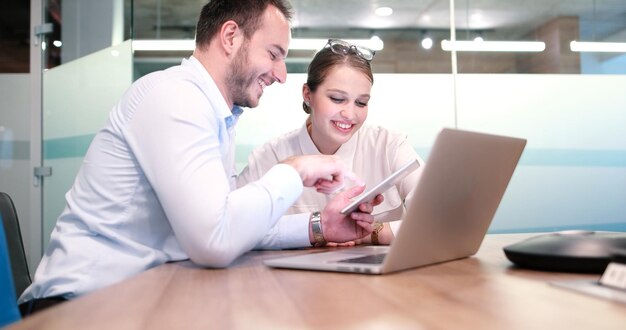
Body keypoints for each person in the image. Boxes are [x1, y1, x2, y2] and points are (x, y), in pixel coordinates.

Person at [18, 0, 382, 316]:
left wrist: (320, 226)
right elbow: (215, 241)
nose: (281, 74)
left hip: (139, 295)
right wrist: (293, 169)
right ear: (229, 37)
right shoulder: (174, 98)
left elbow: (230, 223)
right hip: (77, 306)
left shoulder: (215, 115)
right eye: (273, 54)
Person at [237, 39, 424, 246]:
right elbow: (233, 228)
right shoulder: (270, 157)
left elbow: (443, 213)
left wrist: (373, 232)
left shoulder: (389, 146)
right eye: (337, 99)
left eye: (361, 102)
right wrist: (318, 230)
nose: (350, 114)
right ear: (308, 95)